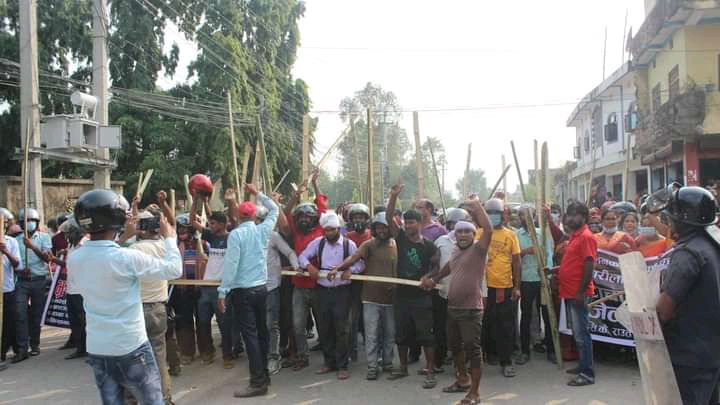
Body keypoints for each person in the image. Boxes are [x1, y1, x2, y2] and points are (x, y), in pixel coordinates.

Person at [69, 189, 182, 404]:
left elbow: (103, 254)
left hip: (98, 347)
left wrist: (124, 237)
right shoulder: (127, 258)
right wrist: (170, 238)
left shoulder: (75, 258)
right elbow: (173, 270)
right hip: (131, 345)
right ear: (117, 219)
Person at [422, 199, 492, 405]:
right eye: (459, 232)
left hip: (471, 310)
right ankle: (462, 380)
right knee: (455, 348)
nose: (462, 235)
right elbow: (448, 268)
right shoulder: (455, 250)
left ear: (473, 235)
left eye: (467, 232)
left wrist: (477, 207)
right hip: (452, 308)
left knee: (473, 350)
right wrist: (433, 279)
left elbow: (488, 229)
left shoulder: (479, 251)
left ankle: (475, 393)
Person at [655, 186, 720, 405]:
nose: (669, 222)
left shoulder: (688, 253)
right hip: (711, 350)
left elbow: (664, 309)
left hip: (689, 354)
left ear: (683, 219)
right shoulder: (713, 245)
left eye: (672, 217)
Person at [219, 184, 278, 398]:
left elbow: (231, 265)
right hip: (261, 289)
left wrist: (223, 291)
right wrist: (257, 193)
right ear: (254, 216)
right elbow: (275, 210)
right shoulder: (263, 230)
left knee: (251, 336)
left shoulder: (235, 235)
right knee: (261, 333)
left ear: (237, 216)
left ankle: (258, 382)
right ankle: (264, 376)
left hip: (243, 291)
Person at [385, 183, 440, 389]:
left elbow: (437, 266)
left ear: (419, 223)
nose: (408, 226)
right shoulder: (400, 238)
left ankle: (430, 371)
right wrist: (393, 196)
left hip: (421, 296)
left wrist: (429, 276)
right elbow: (388, 216)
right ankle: (403, 367)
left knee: (426, 334)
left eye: (411, 223)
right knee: (401, 334)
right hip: (402, 296)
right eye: (405, 223)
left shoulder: (429, 245)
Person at [298, 212, 363, 380]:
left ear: (338, 229)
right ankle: (329, 363)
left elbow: (361, 263)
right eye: (326, 230)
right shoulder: (318, 243)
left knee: (342, 328)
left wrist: (351, 270)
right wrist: (309, 268)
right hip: (322, 291)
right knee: (324, 327)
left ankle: (343, 365)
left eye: (332, 230)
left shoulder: (349, 245)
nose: (329, 233)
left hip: (342, 292)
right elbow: (302, 256)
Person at [336, 212, 397, 380]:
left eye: (385, 227)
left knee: (390, 333)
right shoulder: (368, 245)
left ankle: (387, 362)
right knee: (371, 333)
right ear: (374, 229)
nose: (382, 231)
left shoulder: (396, 245)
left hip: (391, 299)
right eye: (378, 228)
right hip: (370, 298)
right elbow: (353, 258)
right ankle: (372, 365)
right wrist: (338, 269)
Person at [125, 207, 174, 405]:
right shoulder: (166, 247)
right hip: (158, 309)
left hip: (136, 310)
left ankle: (132, 399)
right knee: (158, 356)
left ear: (142, 228)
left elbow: (110, 253)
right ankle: (164, 397)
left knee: (132, 357)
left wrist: (128, 234)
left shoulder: (134, 250)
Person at [279, 169, 326, 371]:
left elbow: (323, 207)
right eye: (301, 216)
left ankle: (329, 356)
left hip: (319, 285)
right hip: (299, 285)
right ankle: (302, 356)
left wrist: (315, 185)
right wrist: (295, 196)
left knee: (323, 323)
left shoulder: (321, 229)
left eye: (308, 215)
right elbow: (286, 213)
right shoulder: (296, 231)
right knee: (298, 324)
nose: (304, 219)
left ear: (314, 218)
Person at [479, 198, 522, 378]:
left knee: (505, 324)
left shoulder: (510, 235)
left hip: (504, 286)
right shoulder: (478, 233)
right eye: (490, 214)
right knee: (487, 322)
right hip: (483, 287)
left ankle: (507, 361)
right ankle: (490, 354)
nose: (493, 217)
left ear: (502, 215)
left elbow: (517, 262)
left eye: (496, 214)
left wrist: (517, 287)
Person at [558, 200, 597, 386]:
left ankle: (587, 373)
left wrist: (581, 291)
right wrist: (555, 270)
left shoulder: (586, 237)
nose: (572, 218)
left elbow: (589, 265)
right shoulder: (575, 236)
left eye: (576, 214)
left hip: (578, 292)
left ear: (584, 217)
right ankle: (582, 365)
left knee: (582, 334)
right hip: (570, 292)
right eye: (570, 214)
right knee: (577, 333)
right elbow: (574, 263)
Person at [191, 201, 233, 368]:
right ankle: (208, 352)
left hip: (222, 288)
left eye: (213, 223)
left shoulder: (232, 238)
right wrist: (195, 199)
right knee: (202, 322)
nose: (210, 225)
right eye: (209, 223)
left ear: (222, 224)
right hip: (206, 286)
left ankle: (227, 356)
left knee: (224, 323)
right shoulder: (211, 236)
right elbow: (192, 221)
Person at [433, 207, 471, 372]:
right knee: (442, 329)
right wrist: (432, 279)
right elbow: (436, 265)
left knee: (464, 333)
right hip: (444, 292)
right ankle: (439, 360)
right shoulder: (441, 241)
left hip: (465, 296)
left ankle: (462, 366)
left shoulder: (472, 244)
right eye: (453, 225)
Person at [263, 203, 300, 375]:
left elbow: (290, 253)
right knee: (259, 324)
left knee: (278, 322)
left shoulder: (276, 236)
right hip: (254, 287)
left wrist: (297, 267)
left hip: (278, 285)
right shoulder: (247, 236)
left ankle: (278, 355)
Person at [515, 207, 554, 365]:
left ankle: (551, 349)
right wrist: (525, 252)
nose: (526, 219)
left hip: (541, 279)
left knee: (547, 314)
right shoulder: (516, 236)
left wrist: (547, 273)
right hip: (525, 279)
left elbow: (549, 254)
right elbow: (514, 256)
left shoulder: (542, 234)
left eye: (529, 216)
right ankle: (525, 350)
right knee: (526, 315)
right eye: (523, 217)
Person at [14, 208, 52, 362]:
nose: (30, 224)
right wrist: (20, 270)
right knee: (20, 314)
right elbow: (14, 263)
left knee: (37, 314)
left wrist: (33, 247)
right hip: (22, 282)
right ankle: (22, 348)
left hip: (39, 280)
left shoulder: (44, 238)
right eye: (27, 221)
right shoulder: (16, 241)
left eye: (32, 221)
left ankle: (34, 344)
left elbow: (47, 259)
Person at [172, 213, 206, 365]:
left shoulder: (203, 243)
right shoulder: (173, 246)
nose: (181, 231)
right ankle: (187, 352)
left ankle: (206, 350)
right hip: (181, 289)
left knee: (202, 321)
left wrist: (199, 241)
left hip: (199, 288)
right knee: (184, 322)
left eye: (185, 228)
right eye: (179, 229)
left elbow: (204, 260)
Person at [56, 217, 88, 360]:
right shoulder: (71, 247)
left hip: (82, 290)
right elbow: (68, 265)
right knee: (75, 321)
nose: (66, 236)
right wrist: (53, 259)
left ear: (76, 232)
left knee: (84, 321)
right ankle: (80, 348)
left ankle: (88, 349)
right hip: (71, 289)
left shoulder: (86, 245)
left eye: (69, 233)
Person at [345, 203, 372, 363]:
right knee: (352, 318)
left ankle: (374, 351)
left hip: (370, 282)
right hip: (353, 283)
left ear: (367, 219)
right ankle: (352, 350)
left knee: (370, 318)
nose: (358, 220)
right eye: (355, 217)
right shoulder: (348, 237)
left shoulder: (372, 235)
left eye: (361, 217)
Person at [0, 213, 21, 368]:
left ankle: (5, 351)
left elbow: (17, 264)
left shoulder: (11, 242)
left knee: (9, 321)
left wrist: (5, 251)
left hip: (7, 289)